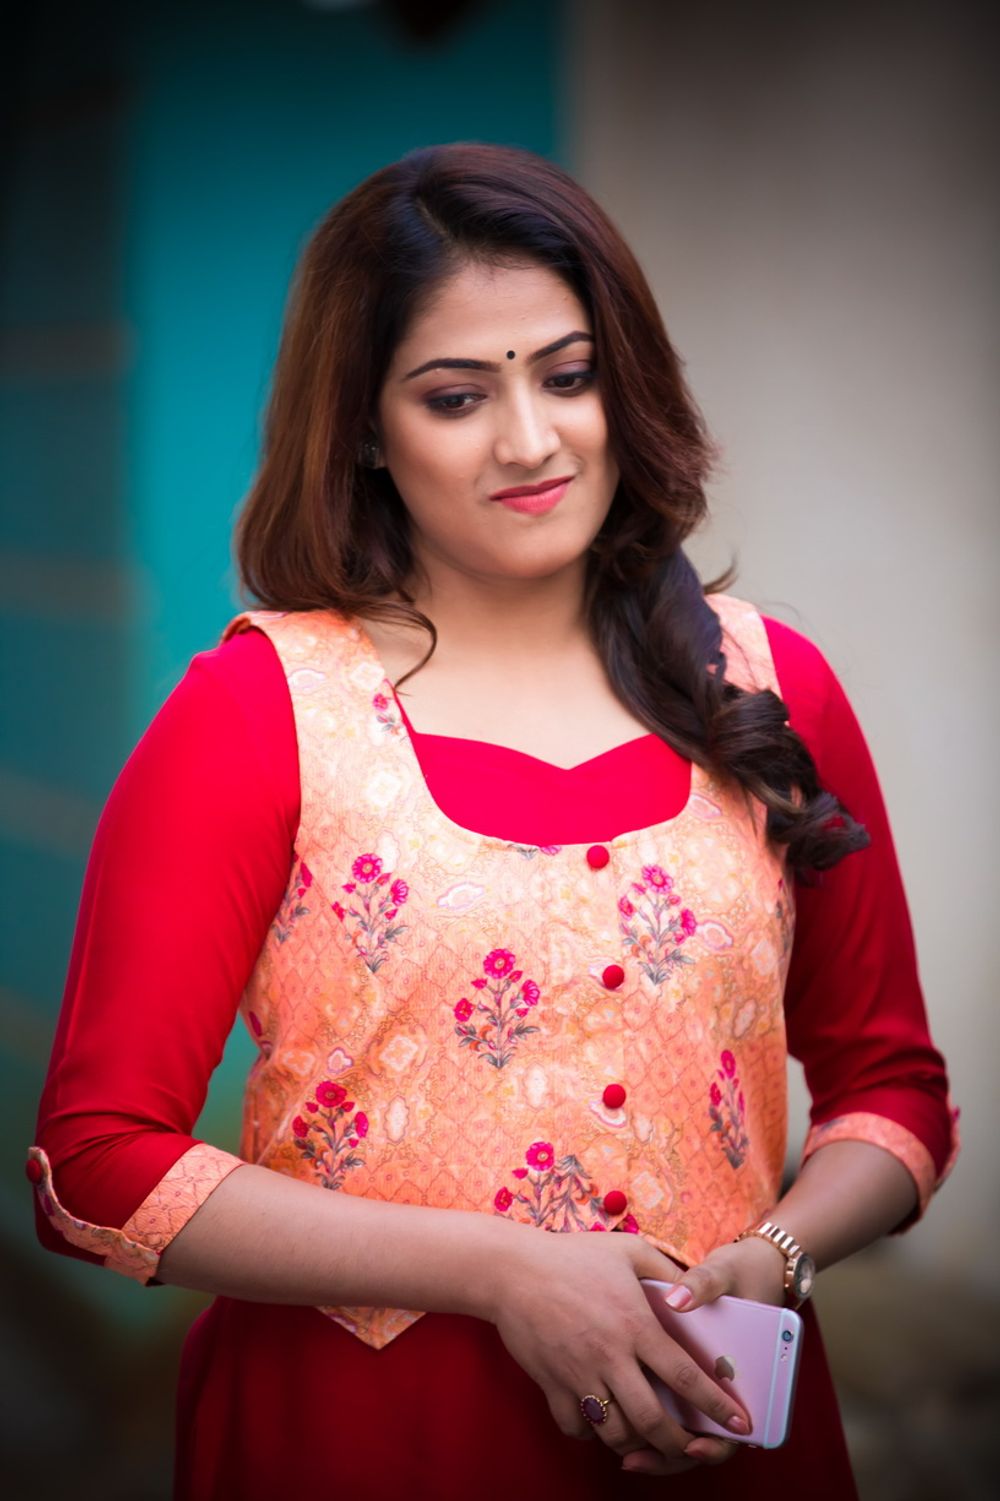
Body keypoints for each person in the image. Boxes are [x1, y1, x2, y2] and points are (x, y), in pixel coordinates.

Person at [29, 142, 958, 1500]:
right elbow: (97, 1167)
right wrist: (506, 1270)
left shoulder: (770, 688)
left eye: (568, 377)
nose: (531, 441)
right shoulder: (260, 714)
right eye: (458, 396)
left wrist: (777, 1257)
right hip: (360, 1446)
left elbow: (895, 1096)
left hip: (720, 1430)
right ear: (364, 427)